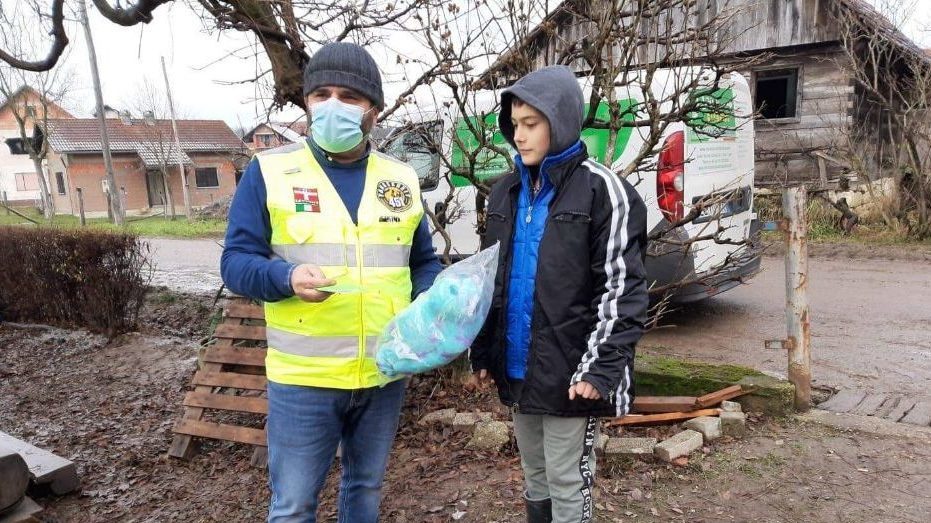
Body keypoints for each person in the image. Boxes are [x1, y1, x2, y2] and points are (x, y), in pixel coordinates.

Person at [220, 41, 442, 523]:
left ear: (373, 111)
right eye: (321, 94)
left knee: (365, 489)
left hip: (384, 371)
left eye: (349, 96)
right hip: (305, 378)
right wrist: (285, 276)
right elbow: (235, 262)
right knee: (295, 504)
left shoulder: (401, 178)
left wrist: (431, 299)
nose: (333, 105)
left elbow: (423, 261)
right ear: (307, 102)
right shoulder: (270, 171)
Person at [468, 65, 649, 523]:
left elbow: (622, 290)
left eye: (532, 124)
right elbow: (491, 279)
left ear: (562, 121)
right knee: (535, 474)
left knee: (568, 480)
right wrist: (484, 353)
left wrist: (601, 367)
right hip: (518, 365)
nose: (519, 136)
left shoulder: (604, 192)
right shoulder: (503, 192)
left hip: (573, 371)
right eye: (514, 124)